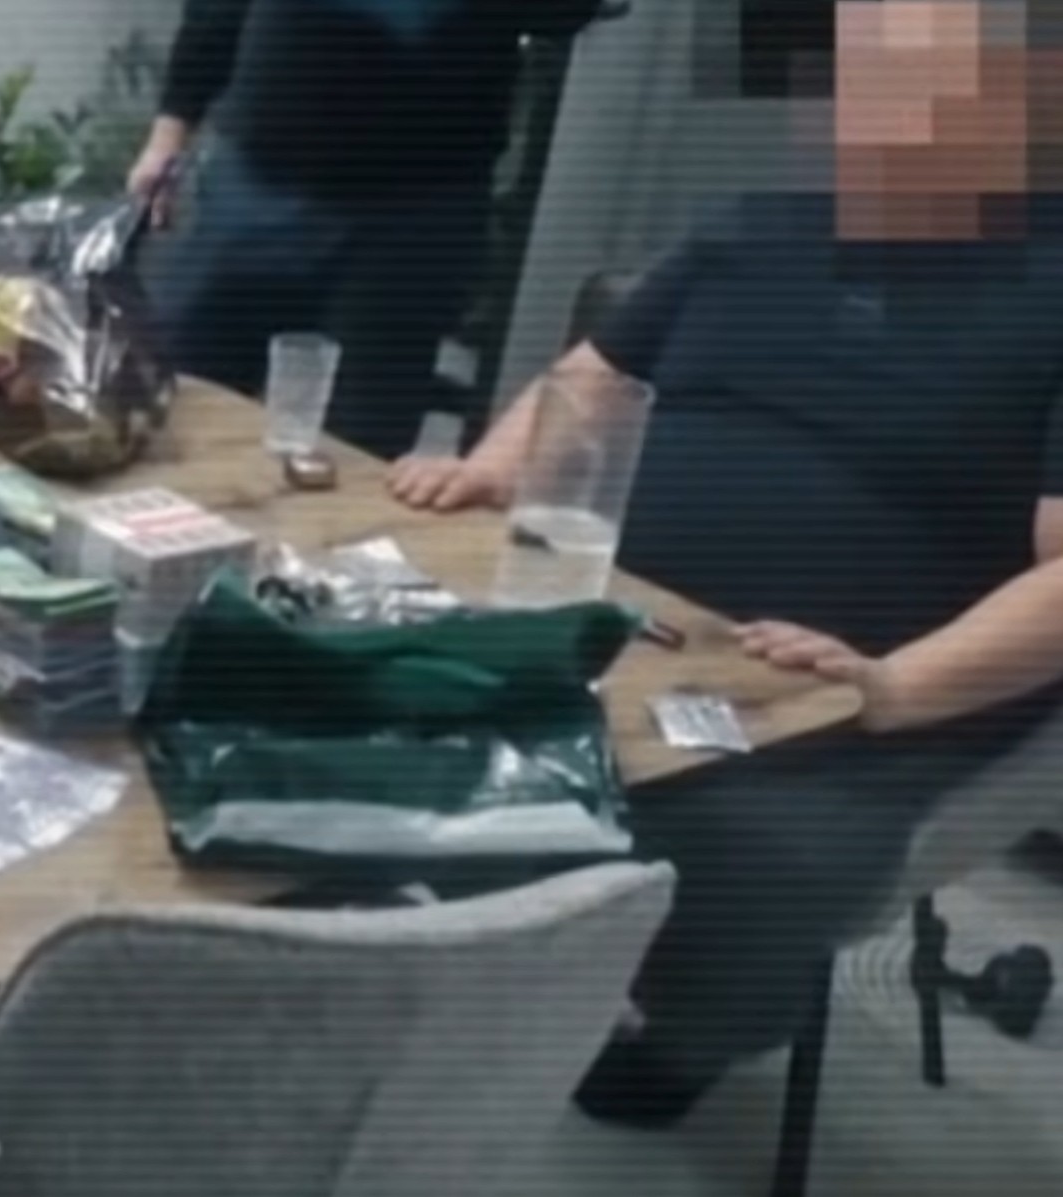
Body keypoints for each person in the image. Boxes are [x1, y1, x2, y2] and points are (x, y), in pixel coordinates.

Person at [389, 0, 1063, 1125]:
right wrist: (490, 472)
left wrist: (893, 684)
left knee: (726, 854)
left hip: (840, 699)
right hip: (622, 617)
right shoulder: (755, 225)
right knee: (349, 650)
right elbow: (594, 377)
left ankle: (646, 1028)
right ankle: (407, 946)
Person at [129, 0, 612, 460]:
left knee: (351, 447)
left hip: (415, 207)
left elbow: (564, 12)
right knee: (164, 407)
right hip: (257, 176)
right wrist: (170, 130)